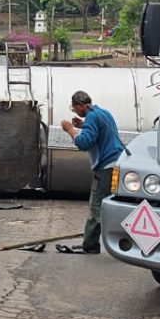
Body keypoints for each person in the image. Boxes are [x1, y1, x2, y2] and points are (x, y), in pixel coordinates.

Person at [58, 90, 124, 254]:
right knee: (104, 204)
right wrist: (82, 125)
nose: (75, 112)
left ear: (80, 105)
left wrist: (70, 131)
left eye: (74, 108)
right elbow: (99, 133)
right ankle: (93, 241)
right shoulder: (102, 113)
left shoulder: (92, 117)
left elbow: (84, 143)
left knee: (97, 206)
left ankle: (93, 245)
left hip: (106, 166)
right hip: (116, 162)